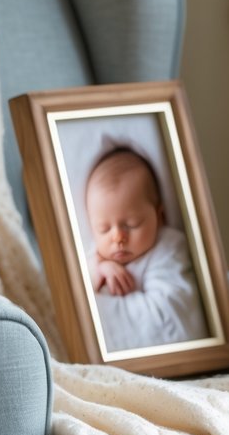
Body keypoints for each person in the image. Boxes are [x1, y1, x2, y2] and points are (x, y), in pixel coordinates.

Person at [85, 147, 208, 351]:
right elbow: (81, 295)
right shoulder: (94, 258)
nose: (118, 237)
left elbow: (171, 315)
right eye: (104, 229)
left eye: (132, 224)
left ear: (159, 216)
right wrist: (99, 268)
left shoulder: (167, 248)